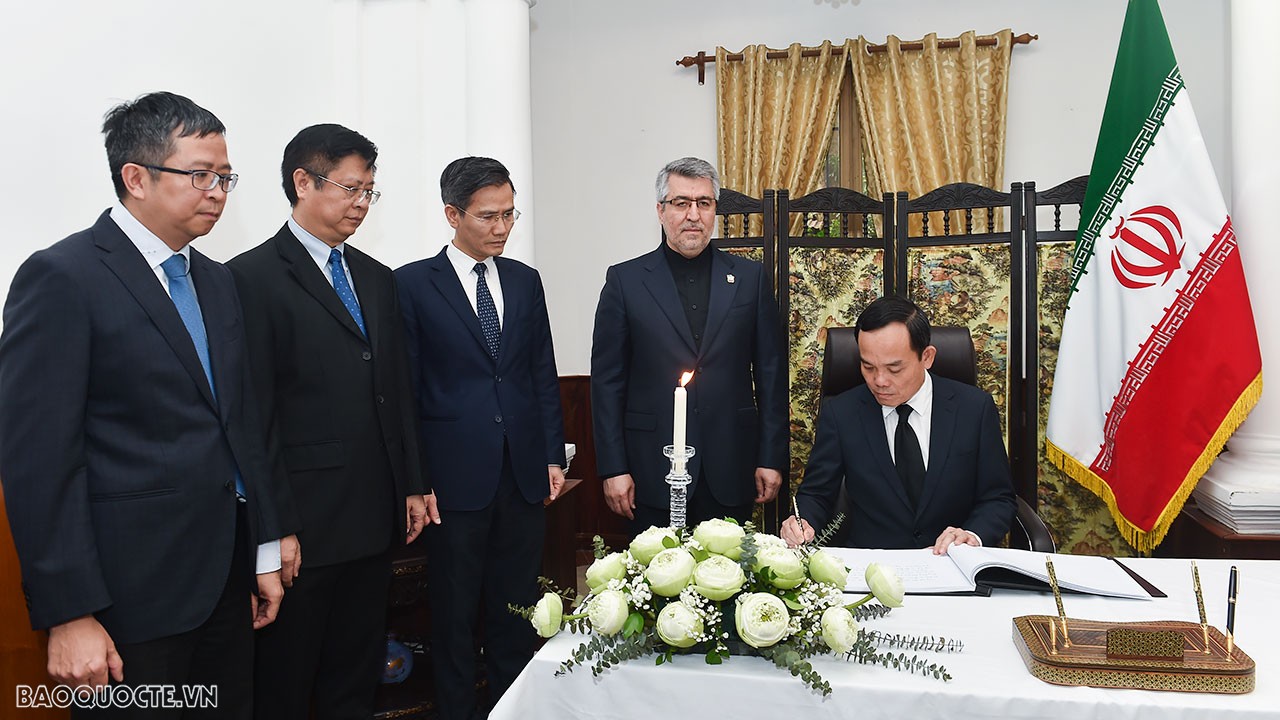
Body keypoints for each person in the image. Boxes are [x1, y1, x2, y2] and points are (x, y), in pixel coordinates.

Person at [0, 91, 284, 716]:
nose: (218, 191)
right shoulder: (63, 277)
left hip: (223, 585)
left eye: (226, 177)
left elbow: (241, 426)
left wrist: (262, 551)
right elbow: (39, 462)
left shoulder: (217, 280)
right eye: (200, 175)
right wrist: (69, 613)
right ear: (136, 177)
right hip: (125, 602)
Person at [226, 124, 431, 719]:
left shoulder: (374, 277)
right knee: (287, 683)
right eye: (350, 189)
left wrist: (412, 483)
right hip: (303, 528)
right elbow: (253, 414)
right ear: (302, 183)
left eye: (370, 191)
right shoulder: (250, 278)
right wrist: (275, 525)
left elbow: (397, 392)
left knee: (354, 677)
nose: (362, 204)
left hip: (372, 518)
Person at [395, 156, 566, 720]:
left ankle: (512, 710)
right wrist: (416, 480)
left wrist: (550, 454)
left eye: (510, 215)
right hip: (452, 480)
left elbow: (541, 371)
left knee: (515, 610)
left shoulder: (524, 280)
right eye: (489, 216)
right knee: (452, 614)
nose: (502, 228)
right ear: (452, 214)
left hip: (521, 474)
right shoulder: (413, 285)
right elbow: (407, 392)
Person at [591, 156, 787, 534]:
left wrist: (771, 457)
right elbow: (607, 384)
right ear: (661, 211)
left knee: (730, 584)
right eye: (681, 203)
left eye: (704, 203)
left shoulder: (749, 279)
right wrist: (614, 467)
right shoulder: (625, 281)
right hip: (651, 469)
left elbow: (771, 375)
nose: (693, 215)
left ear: (715, 210)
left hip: (731, 464)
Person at [781, 296, 1016, 553]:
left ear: (926, 357)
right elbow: (816, 494)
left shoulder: (974, 408)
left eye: (894, 369)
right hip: (874, 570)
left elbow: (998, 498)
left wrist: (971, 536)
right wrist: (801, 522)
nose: (879, 381)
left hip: (953, 563)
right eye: (868, 366)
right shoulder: (842, 413)